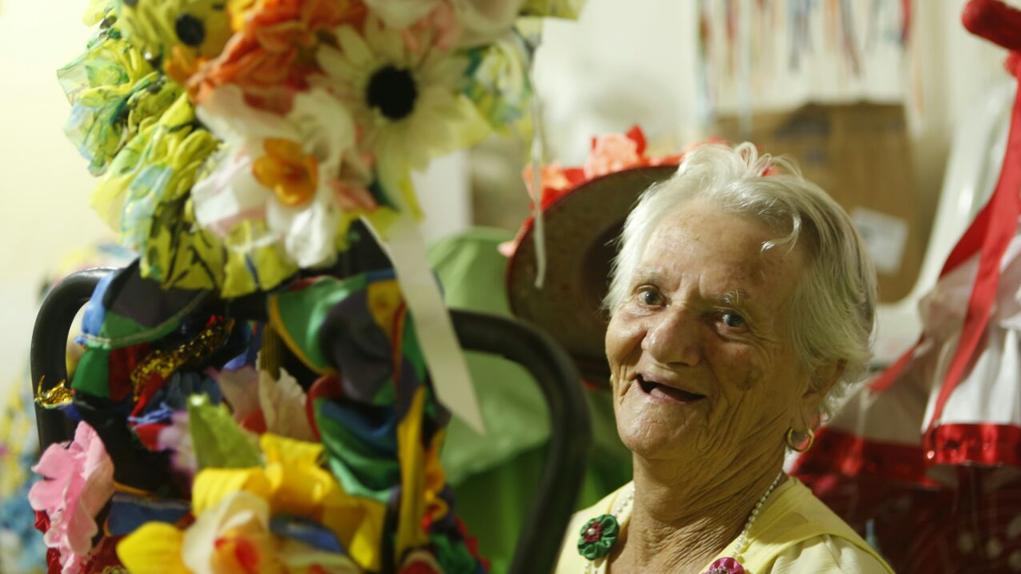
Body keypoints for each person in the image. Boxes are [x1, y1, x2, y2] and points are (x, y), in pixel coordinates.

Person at [554, 142, 894, 573]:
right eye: (650, 296)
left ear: (816, 381)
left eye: (730, 319)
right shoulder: (562, 545)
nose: (663, 343)